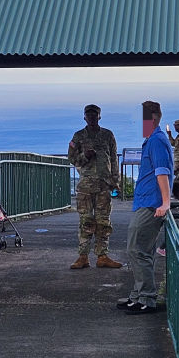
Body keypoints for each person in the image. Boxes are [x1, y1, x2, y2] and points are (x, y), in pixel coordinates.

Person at [121, 100, 174, 314]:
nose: (139, 123)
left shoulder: (157, 141)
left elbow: (162, 172)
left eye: (142, 119)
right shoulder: (152, 140)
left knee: (136, 249)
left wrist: (165, 202)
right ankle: (138, 295)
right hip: (145, 201)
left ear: (152, 119)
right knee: (141, 250)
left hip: (151, 204)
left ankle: (147, 298)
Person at [67, 104, 122, 269]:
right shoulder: (78, 136)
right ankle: (83, 256)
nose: (91, 117)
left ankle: (102, 256)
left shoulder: (107, 135)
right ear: (84, 117)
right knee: (86, 221)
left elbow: (113, 160)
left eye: (94, 114)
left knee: (103, 221)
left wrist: (115, 182)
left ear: (99, 116)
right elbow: (72, 159)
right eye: (88, 114)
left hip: (104, 185)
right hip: (86, 187)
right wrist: (85, 156)